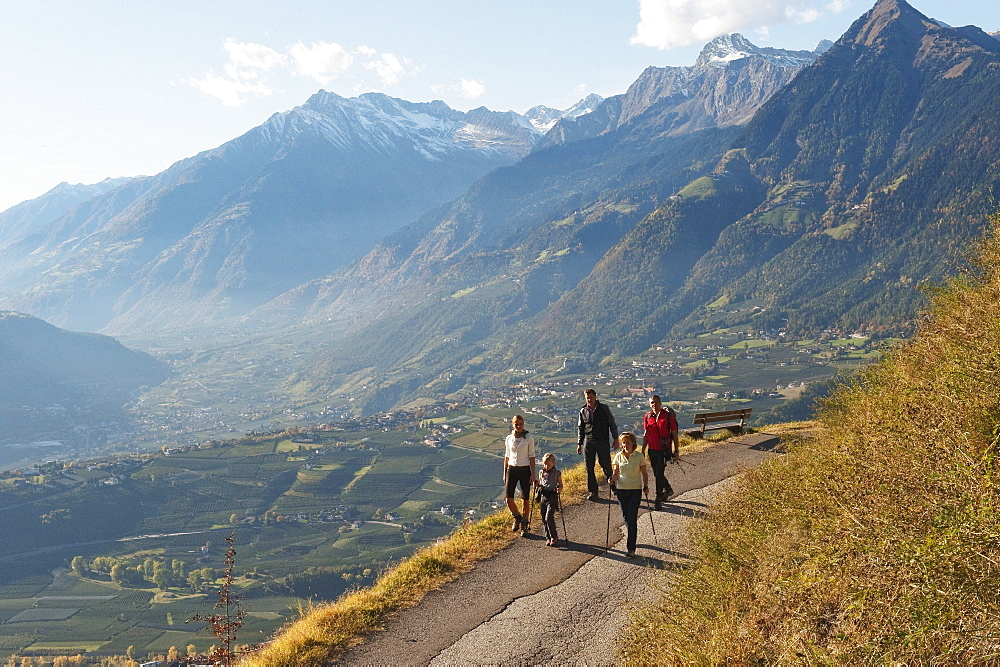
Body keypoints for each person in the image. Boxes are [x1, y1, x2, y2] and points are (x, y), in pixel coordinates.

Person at [609, 431, 649, 558]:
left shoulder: (639, 456)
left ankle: (631, 548)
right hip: (621, 490)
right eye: (623, 443)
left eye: (627, 442)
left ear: (633, 443)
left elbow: (644, 474)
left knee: (631, 518)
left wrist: (646, 486)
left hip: (635, 490)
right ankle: (632, 536)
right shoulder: (618, 457)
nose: (625, 445)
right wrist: (611, 480)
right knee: (626, 517)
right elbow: (616, 473)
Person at [577, 388, 618, 500]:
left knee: (605, 464)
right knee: (589, 467)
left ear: (595, 397)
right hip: (588, 441)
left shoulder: (604, 408)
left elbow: (612, 424)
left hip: (602, 440)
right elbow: (581, 428)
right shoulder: (583, 411)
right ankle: (593, 492)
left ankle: (614, 487)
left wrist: (615, 438)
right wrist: (579, 443)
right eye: (587, 398)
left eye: (590, 397)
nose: (589, 400)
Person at [642, 394, 680, 510]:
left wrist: (676, 451)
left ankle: (658, 498)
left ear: (660, 403)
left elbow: (674, 434)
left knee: (659, 473)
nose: (654, 404)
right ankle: (667, 488)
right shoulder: (648, 416)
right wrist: (642, 450)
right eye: (652, 402)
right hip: (652, 449)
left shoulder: (668, 416)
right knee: (656, 473)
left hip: (664, 450)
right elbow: (646, 434)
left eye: (656, 402)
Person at [503, 414, 536, 534]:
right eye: (516, 424)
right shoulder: (509, 439)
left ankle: (524, 525)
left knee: (525, 499)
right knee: (508, 499)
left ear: (523, 424)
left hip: (525, 470)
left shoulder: (528, 438)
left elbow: (531, 456)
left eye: (520, 424)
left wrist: (533, 474)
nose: (519, 426)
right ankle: (517, 517)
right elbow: (507, 456)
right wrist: (504, 472)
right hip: (511, 469)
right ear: (513, 425)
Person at [536, 453, 563, 546]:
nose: (546, 466)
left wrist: (559, 489)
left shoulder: (557, 473)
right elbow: (540, 483)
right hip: (543, 495)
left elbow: (560, 484)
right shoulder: (541, 472)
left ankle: (554, 537)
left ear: (553, 463)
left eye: (548, 464)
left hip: (552, 496)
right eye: (545, 464)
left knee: (549, 517)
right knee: (543, 517)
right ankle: (548, 537)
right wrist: (536, 484)